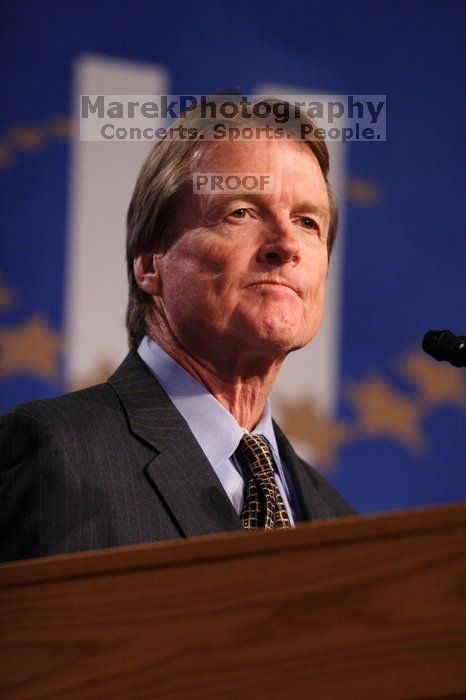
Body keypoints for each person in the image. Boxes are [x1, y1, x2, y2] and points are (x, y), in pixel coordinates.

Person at [0, 97, 354, 563]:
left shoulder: (337, 519)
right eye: (242, 212)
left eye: (308, 223)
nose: (287, 245)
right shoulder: (58, 454)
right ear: (150, 262)